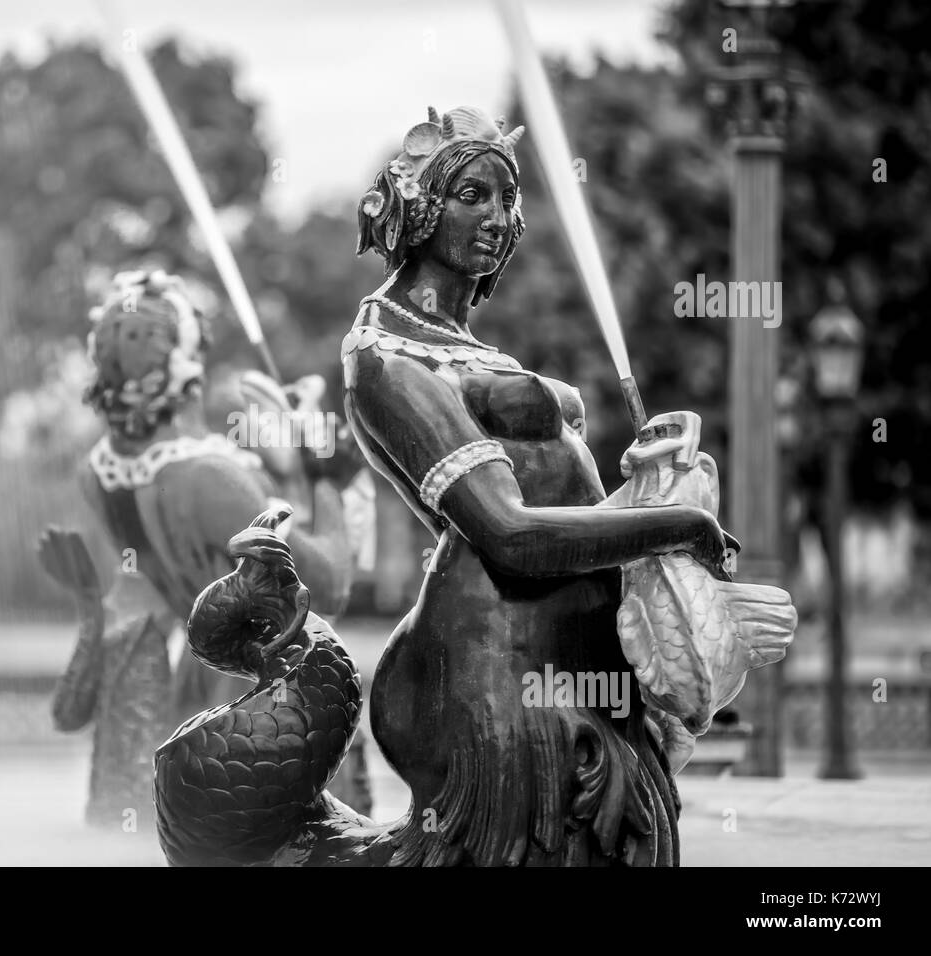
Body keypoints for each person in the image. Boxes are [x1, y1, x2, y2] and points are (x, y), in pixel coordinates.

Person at [342, 106, 736, 866]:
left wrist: (646, 486)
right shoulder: (387, 358)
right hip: (502, 672)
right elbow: (511, 535)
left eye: (506, 198)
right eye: (471, 195)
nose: (497, 216)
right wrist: (677, 524)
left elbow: (550, 507)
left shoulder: (459, 346)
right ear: (418, 208)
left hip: (568, 662)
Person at [47, 269, 372, 827]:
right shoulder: (211, 476)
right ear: (186, 364)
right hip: (271, 710)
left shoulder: (98, 475)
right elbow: (328, 587)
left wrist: (285, 469)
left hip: (192, 704)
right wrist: (326, 476)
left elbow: (145, 594)